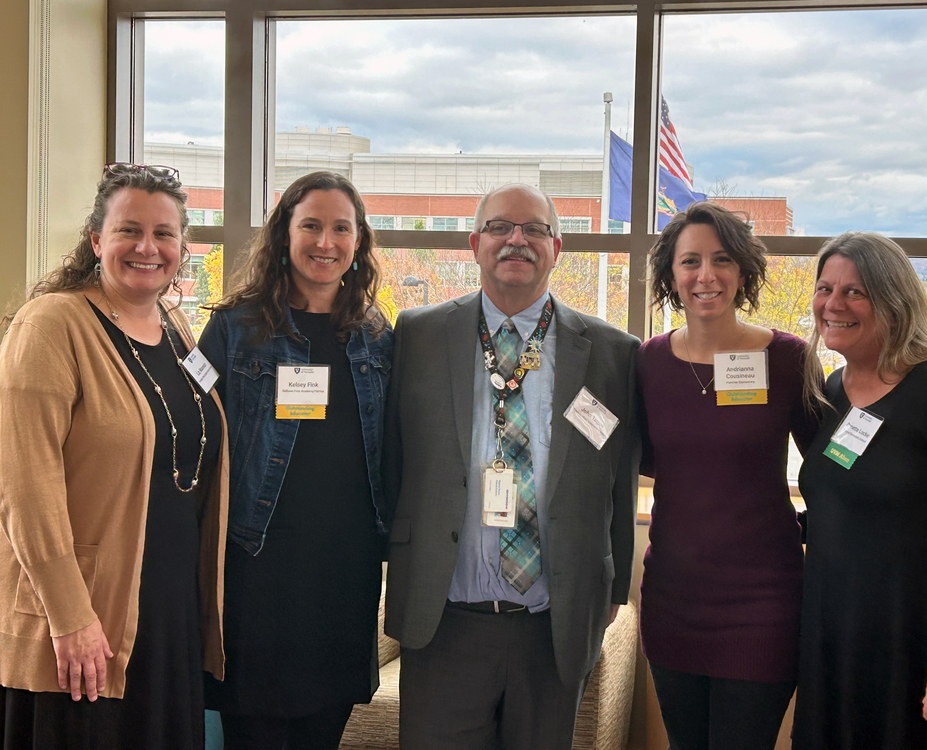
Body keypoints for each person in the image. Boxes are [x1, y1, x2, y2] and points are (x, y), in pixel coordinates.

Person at [382, 183, 640, 749]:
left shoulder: (611, 352)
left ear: (557, 247)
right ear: (475, 244)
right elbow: (392, 462)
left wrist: (613, 591)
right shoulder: (417, 335)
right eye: (500, 227)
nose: (516, 240)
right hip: (445, 620)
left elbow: (619, 478)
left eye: (534, 230)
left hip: (554, 626)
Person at [0, 163, 228, 749]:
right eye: (129, 230)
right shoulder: (53, 324)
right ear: (97, 239)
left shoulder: (173, 325)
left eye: (164, 234)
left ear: (183, 248)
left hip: (166, 605)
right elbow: (25, 486)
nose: (147, 248)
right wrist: (70, 615)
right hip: (86, 615)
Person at [199, 171, 393, 749]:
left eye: (341, 228)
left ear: (358, 243)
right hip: (255, 569)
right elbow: (193, 433)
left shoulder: (376, 336)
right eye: (311, 225)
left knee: (321, 733)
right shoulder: (234, 329)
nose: (325, 242)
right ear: (284, 233)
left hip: (343, 575)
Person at [793, 231, 927, 749]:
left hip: (922, 642)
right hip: (839, 637)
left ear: (894, 300)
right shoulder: (834, 391)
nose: (833, 305)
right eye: (825, 288)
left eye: (855, 292)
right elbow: (848, 505)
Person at [638, 201, 819, 750]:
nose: (706, 275)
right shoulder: (647, 362)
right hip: (673, 599)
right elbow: (643, 458)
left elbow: (834, 466)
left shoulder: (788, 358)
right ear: (672, 275)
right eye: (690, 261)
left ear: (743, 271)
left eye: (721, 260)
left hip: (763, 603)